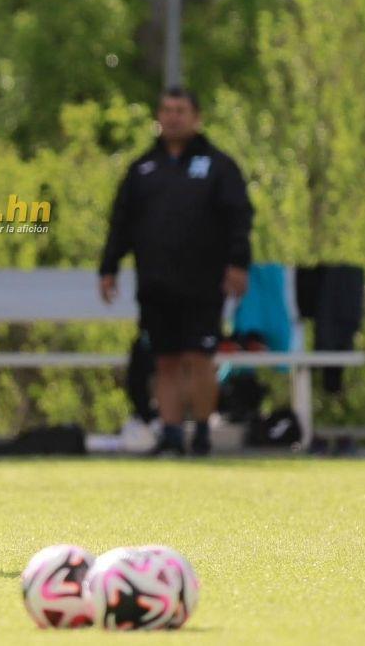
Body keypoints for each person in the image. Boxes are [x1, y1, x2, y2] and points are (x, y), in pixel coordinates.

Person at [98, 86, 252, 456]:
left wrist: (238, 263)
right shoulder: (142, 169)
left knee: (198, 358)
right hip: (156, 283)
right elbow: (121, 223)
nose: (173, 117)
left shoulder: (219, 167)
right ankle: (169, 433)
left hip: (202, 283)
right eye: (166, 110)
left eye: (181, 110)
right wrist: (109, 267)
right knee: (164, 360)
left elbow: (239, 219)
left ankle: (200, 432)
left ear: (196, 117)